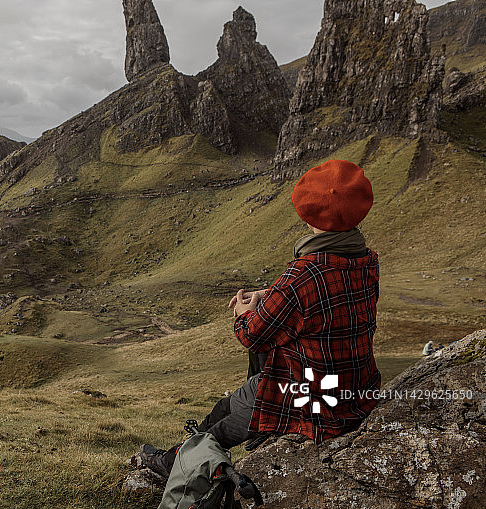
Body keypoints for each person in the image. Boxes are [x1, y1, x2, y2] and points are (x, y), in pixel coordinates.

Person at [140, 159, 381, 478]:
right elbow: (328, 298)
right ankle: (243, 427)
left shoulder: (303, 274)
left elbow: (251, 334)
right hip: (355, 392)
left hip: (313, 400)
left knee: (225, 417)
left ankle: (177, 461)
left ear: (307, 212)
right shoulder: (366, 260)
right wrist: (269, 295)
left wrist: (247, 312)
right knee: (243, 395)